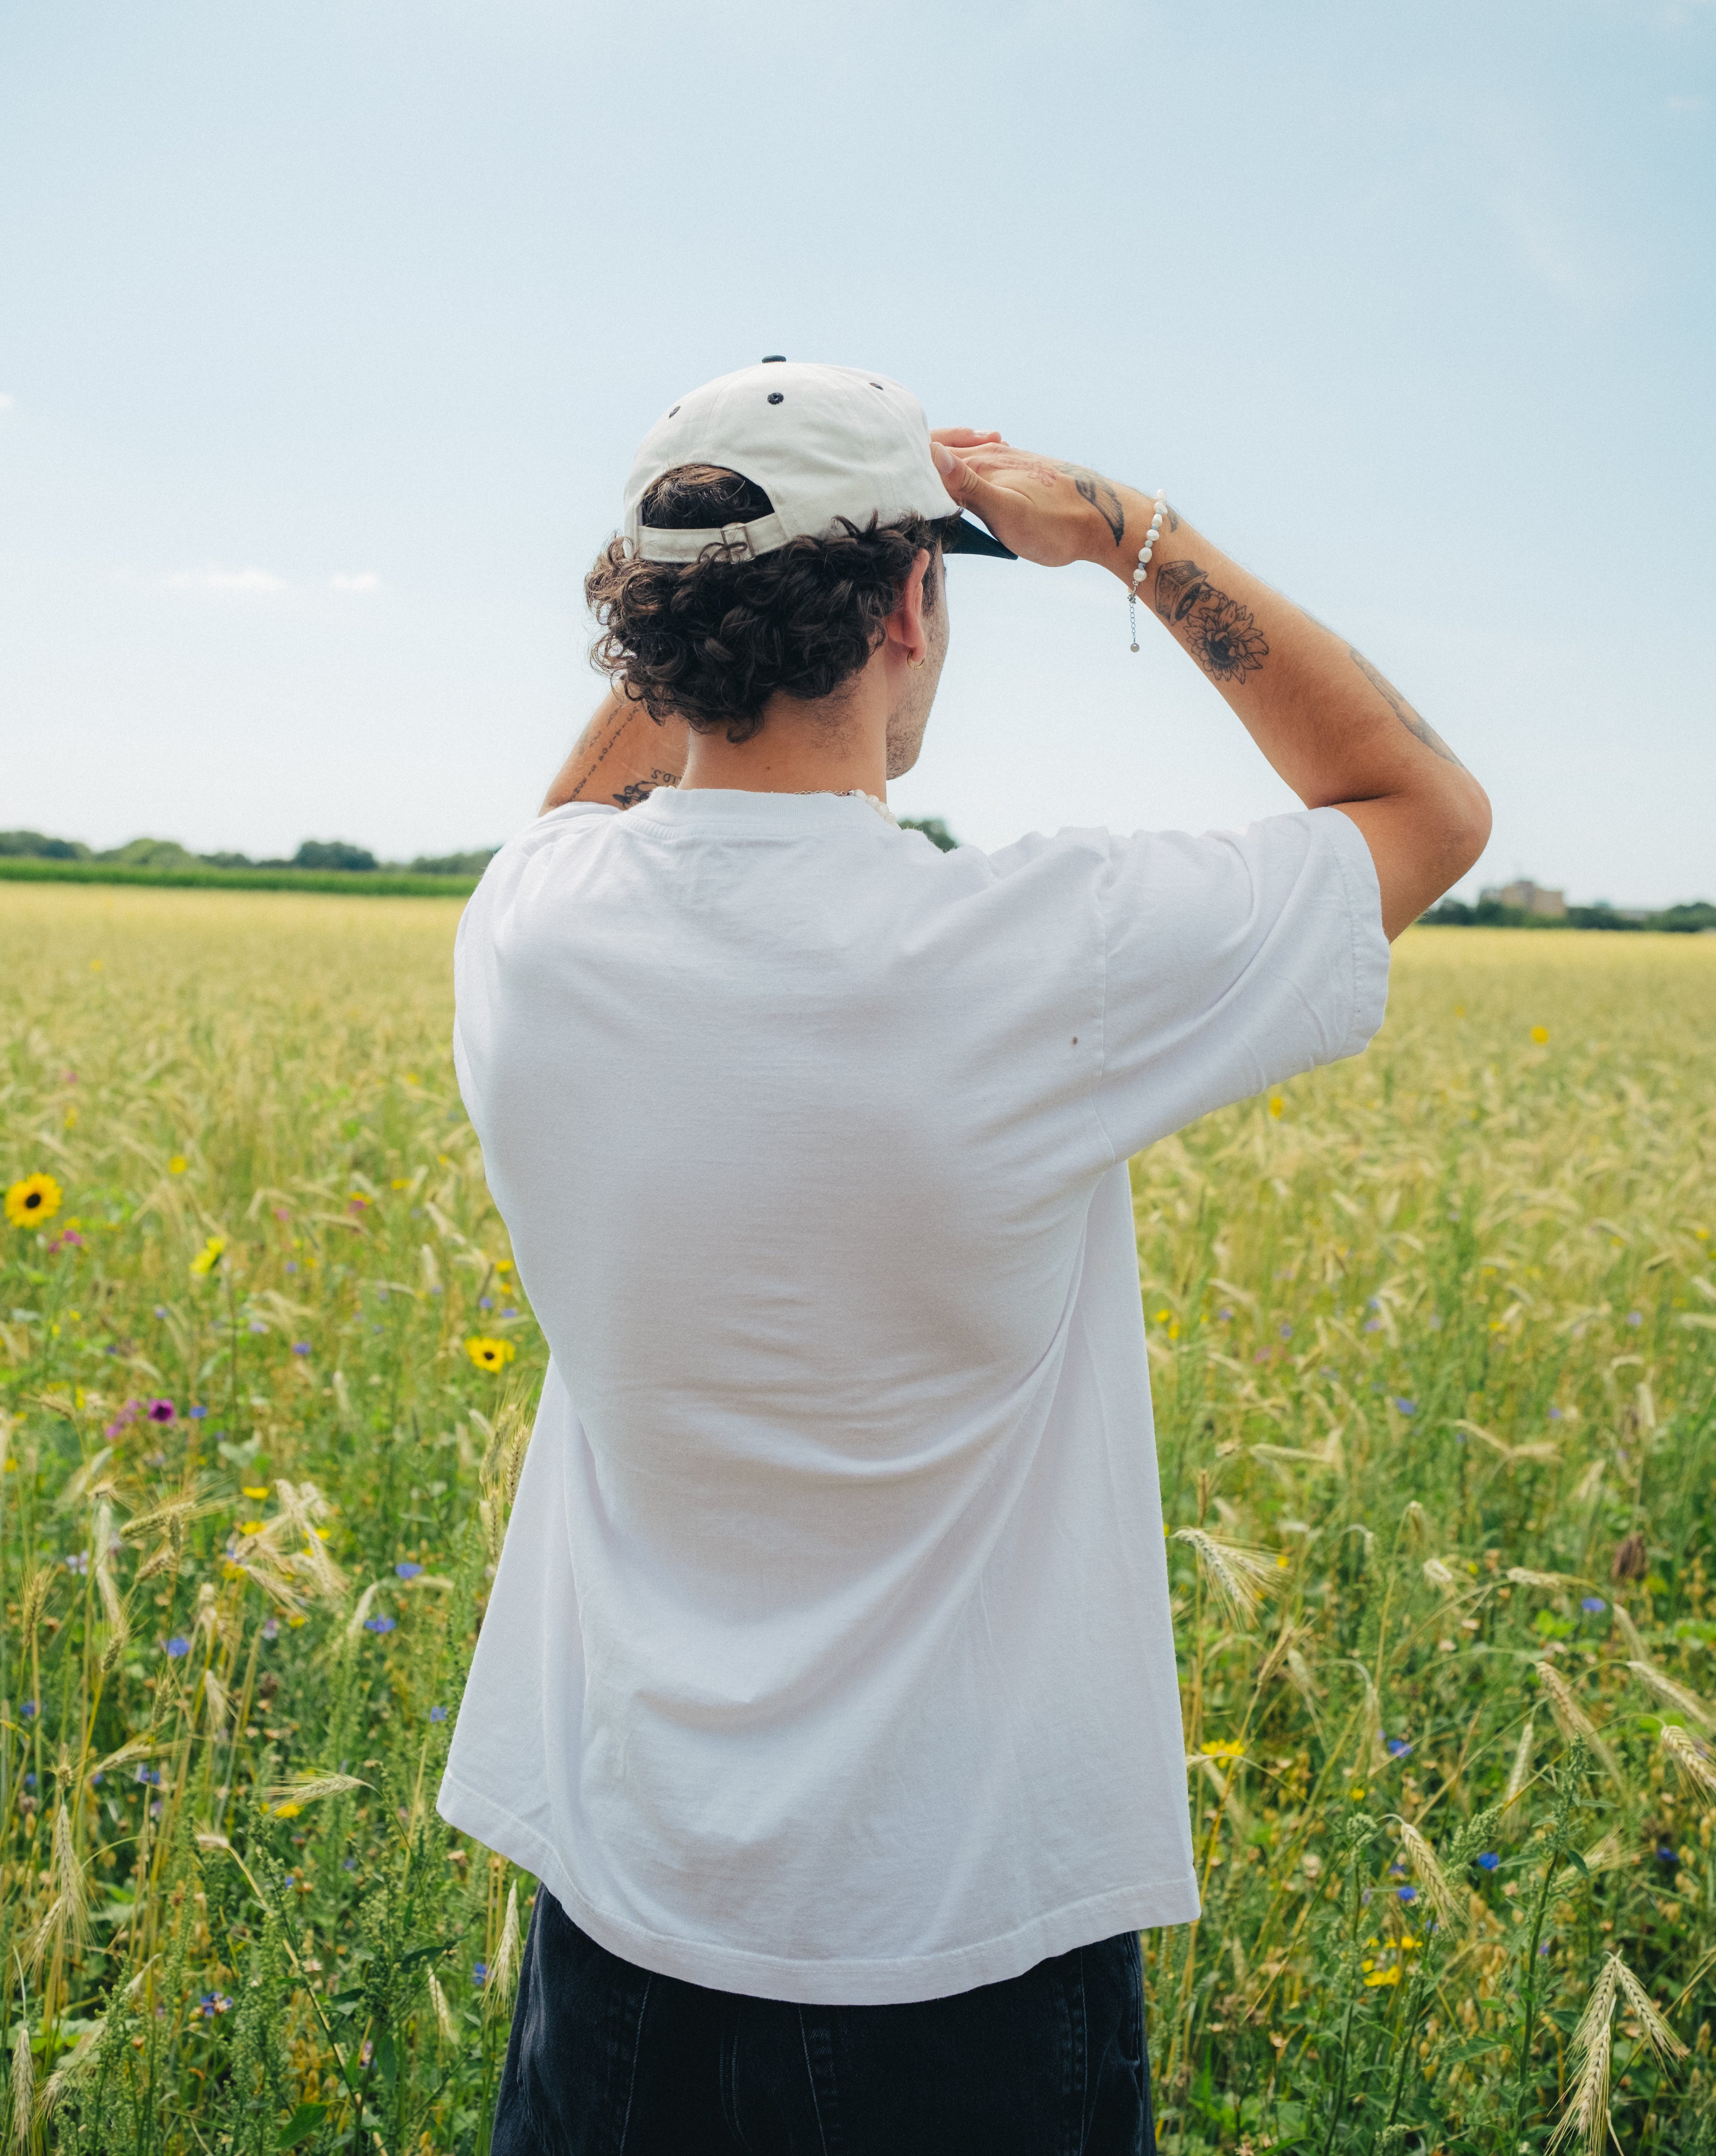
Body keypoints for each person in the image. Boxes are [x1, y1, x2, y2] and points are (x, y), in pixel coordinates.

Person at [438, 359, 1490, 2153]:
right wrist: (1130, 538)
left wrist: (697, 576)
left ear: (646, 631)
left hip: (624, 1907)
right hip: (959, 1942)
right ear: (918, 601)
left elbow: (585, 813)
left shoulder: (528, 931)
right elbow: (1420, 809)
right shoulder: (1036, 953)